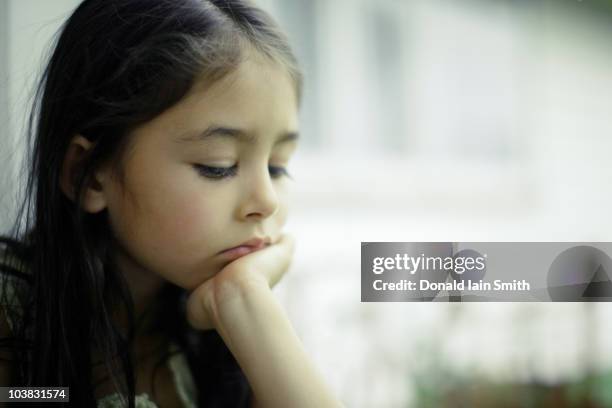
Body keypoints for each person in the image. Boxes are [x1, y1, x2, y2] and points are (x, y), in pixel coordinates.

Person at [0, 0, 343, 407]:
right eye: (219, 166)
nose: (266, 202)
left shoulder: (226, 320)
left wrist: (242, 297)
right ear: (88, 176)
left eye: (277, 167)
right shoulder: (13, 317)